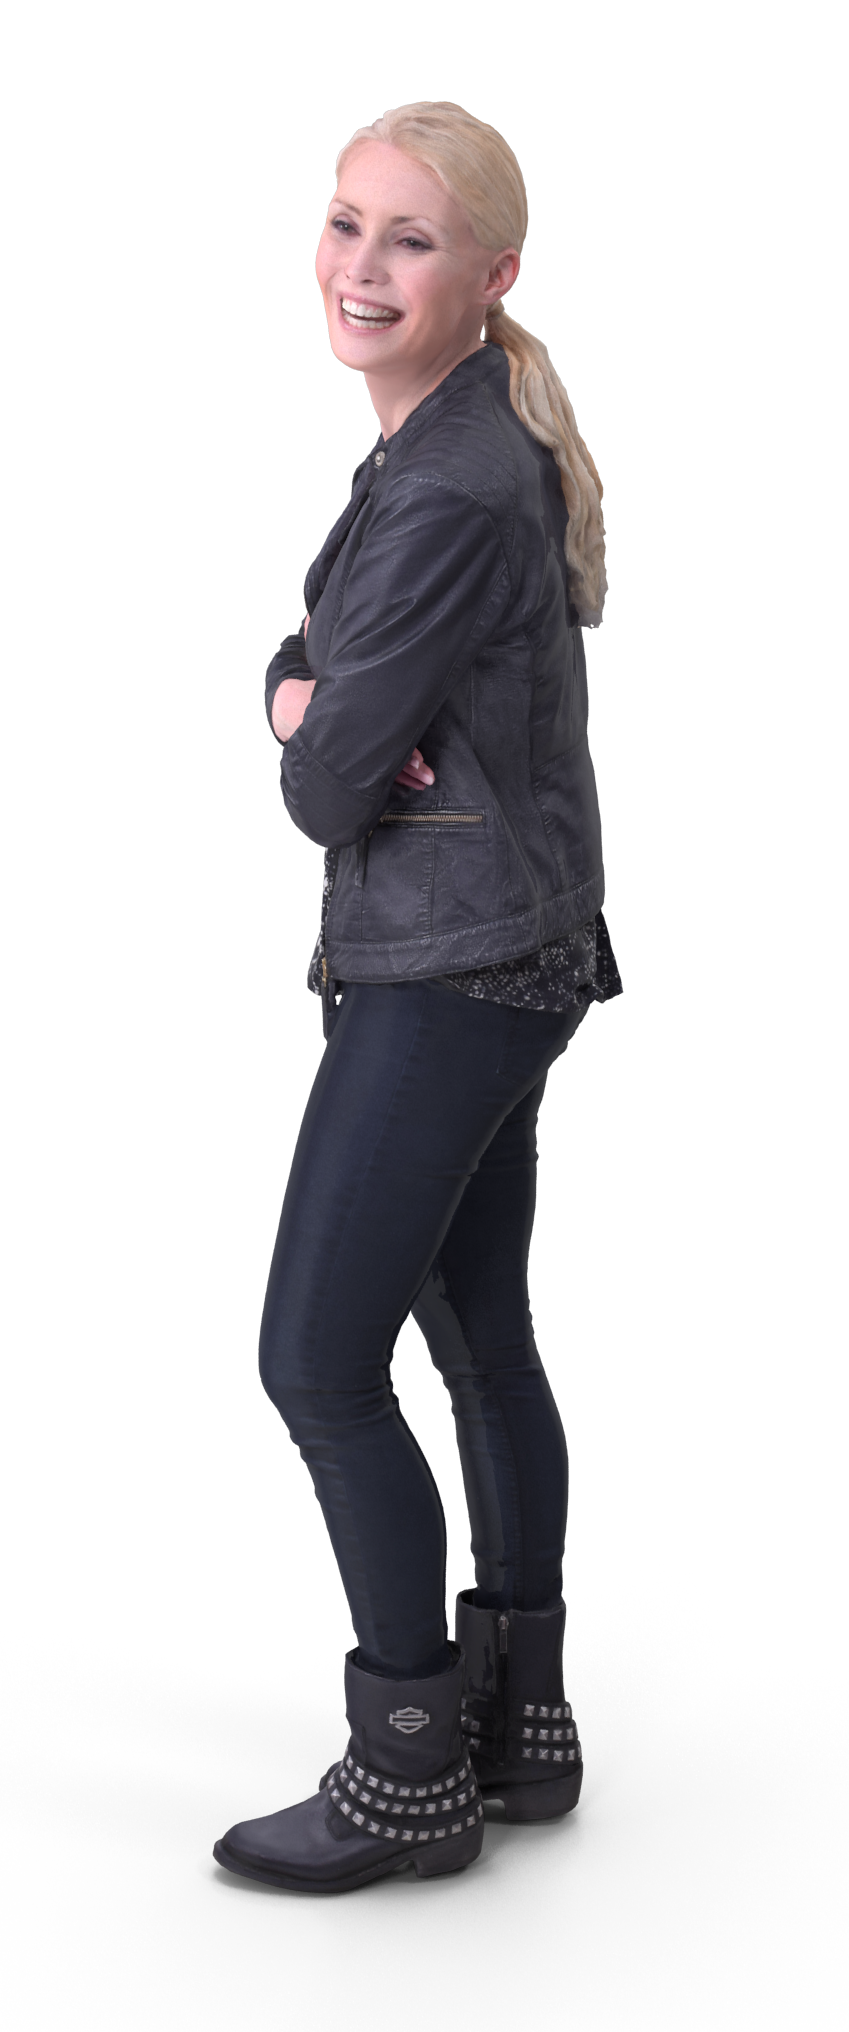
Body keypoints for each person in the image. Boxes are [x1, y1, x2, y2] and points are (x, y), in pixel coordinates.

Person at [213, 100, 622, 1896]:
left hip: (451, 967)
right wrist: (316, 694)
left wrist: (310, 719)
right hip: (508, 953)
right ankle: (525, 1725)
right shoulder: (445, 435)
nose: (361, 267)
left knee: (315, 1361)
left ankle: (404, 1776)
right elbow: (317, 667)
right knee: (477, 1341)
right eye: (344, 222)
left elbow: (322, 783)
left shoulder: (451, 478)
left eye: (412, 238)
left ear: (494, 273)